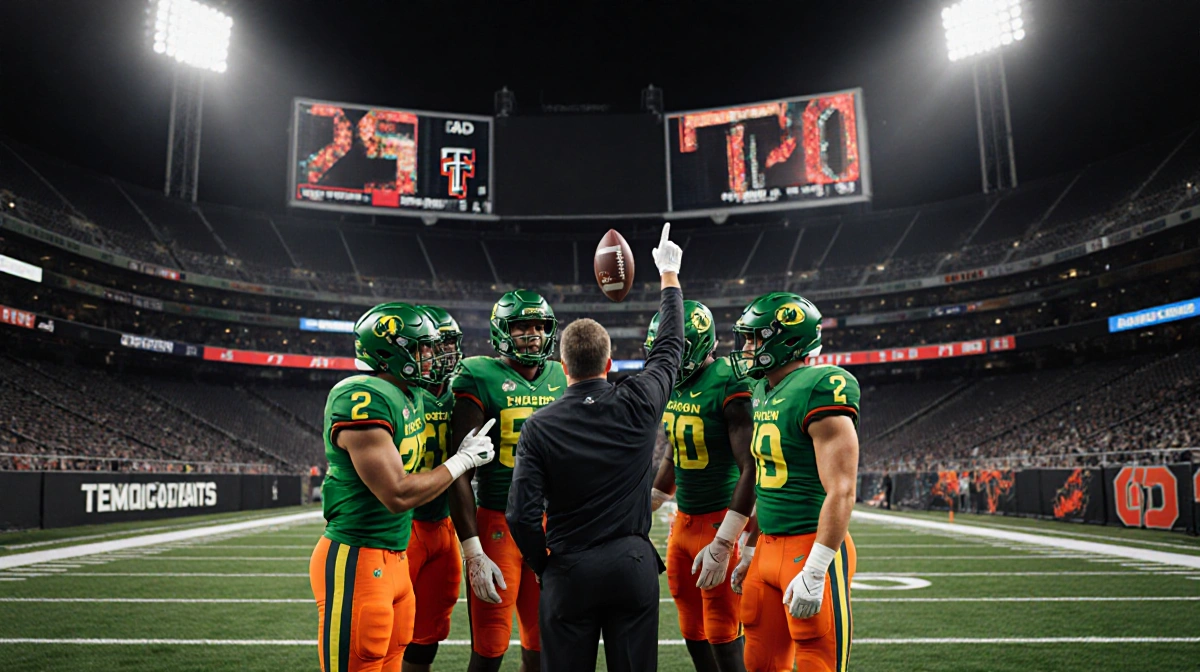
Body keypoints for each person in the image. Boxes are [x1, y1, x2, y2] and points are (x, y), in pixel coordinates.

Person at [506, 223, 685, 672]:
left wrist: (543, 565)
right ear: (609, 363)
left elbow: (520, 514)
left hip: (570, 568)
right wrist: (668, 276)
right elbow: (670, 348)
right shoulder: (640, 400)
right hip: (631, 562)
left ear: (561, 365)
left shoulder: (538, 427)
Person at [309, 302, 496, 672]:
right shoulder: (362, 396)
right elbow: (396, 494)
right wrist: (460, 461)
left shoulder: (410, 394)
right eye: (420, 347)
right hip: (358, 551)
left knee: (398, 656)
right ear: (388, 352)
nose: (429, 356)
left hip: (394, 555)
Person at [726, 292, 860, 672]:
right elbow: (767, 482)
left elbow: (843, 489)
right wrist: (750, 547)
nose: (746, 348)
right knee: (760, 663)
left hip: (809, 546)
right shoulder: (761, 390)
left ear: (784, 340)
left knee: (818, 660)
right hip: (767, 547)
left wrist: (817, 568)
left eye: (754, 339)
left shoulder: (821, 385)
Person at [447, 289, 567, 672]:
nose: (532, 335)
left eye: (538, 326)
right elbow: (459, 469)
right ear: (502, 331)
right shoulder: (478, 375)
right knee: (491, 642)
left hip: (552, 525)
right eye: (522, 327)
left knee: (543, 639)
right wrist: (473, 550)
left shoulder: (561, 375)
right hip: (497, 523)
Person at [646, 300, 754, 672]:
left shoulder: (728, 380)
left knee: (723, 632)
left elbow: (750, 467)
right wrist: (649, 503)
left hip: (718, 521)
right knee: (691, 628)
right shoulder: (675, 386)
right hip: (684, 524)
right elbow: (675, 453)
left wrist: (729, 540)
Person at [402, 305, 464, 672]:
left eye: (446, 345)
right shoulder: (398, 392)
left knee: (428, 634)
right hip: (403, 523)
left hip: (443, 524)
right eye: (430, 347)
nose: (439, 355)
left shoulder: (462, 390)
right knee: (389, 631)